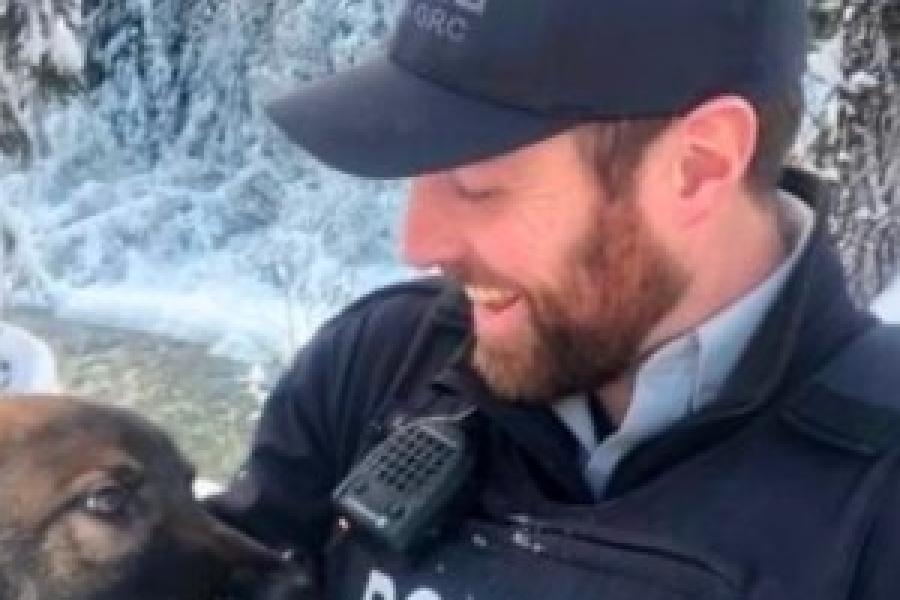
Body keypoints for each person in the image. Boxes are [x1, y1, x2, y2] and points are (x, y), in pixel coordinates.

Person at [209, 1, 900, 598]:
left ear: (699, 166)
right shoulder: (375, 367)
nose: (417, 242)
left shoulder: (876, 502)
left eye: (478, 184)